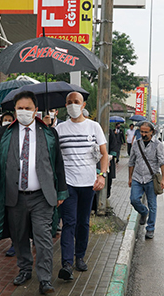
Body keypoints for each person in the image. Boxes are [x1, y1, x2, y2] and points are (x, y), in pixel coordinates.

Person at [0, 91, 68, 295]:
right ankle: (25, 268)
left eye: (28, 108)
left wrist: (61, 192)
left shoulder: (48, 133)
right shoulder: (3, 133)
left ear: (36, 110)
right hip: (14, 194)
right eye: (20, 108)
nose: (24, 112)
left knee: (43, 237)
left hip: (41, 196)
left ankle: (45, 279)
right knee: (19, 237)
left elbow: (58, 164)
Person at [55, 91, 108, 280]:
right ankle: (67, 264)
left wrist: (101, 175)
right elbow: (54, 157)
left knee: (83, 223)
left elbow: (103, 154)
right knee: (69, 222)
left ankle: (80, 257)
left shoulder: (94, 127)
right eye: (69, 102)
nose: (72, 105)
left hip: (88, 183)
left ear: (83, 105)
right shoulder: (59, 129)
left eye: (76, 102)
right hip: (68, 183)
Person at [128, 122, 164, 239]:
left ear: (152, 132)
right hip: (137, 177)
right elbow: (131, 162)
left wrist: (163, 179)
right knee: (134, 199)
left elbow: (162, 162)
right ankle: (144, 212)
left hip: (151, 179)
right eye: (141, 131)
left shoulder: (158, 145)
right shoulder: (136, 144)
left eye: (146, 132)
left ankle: (150, 229)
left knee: (153, 205)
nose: (143, 134)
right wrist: (130, 178)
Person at [0, 112, 17, 257]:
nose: (7, 122)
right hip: (6, 183)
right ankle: (14, 243)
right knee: (11, 216)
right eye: (5, 120)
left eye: (10, 120)